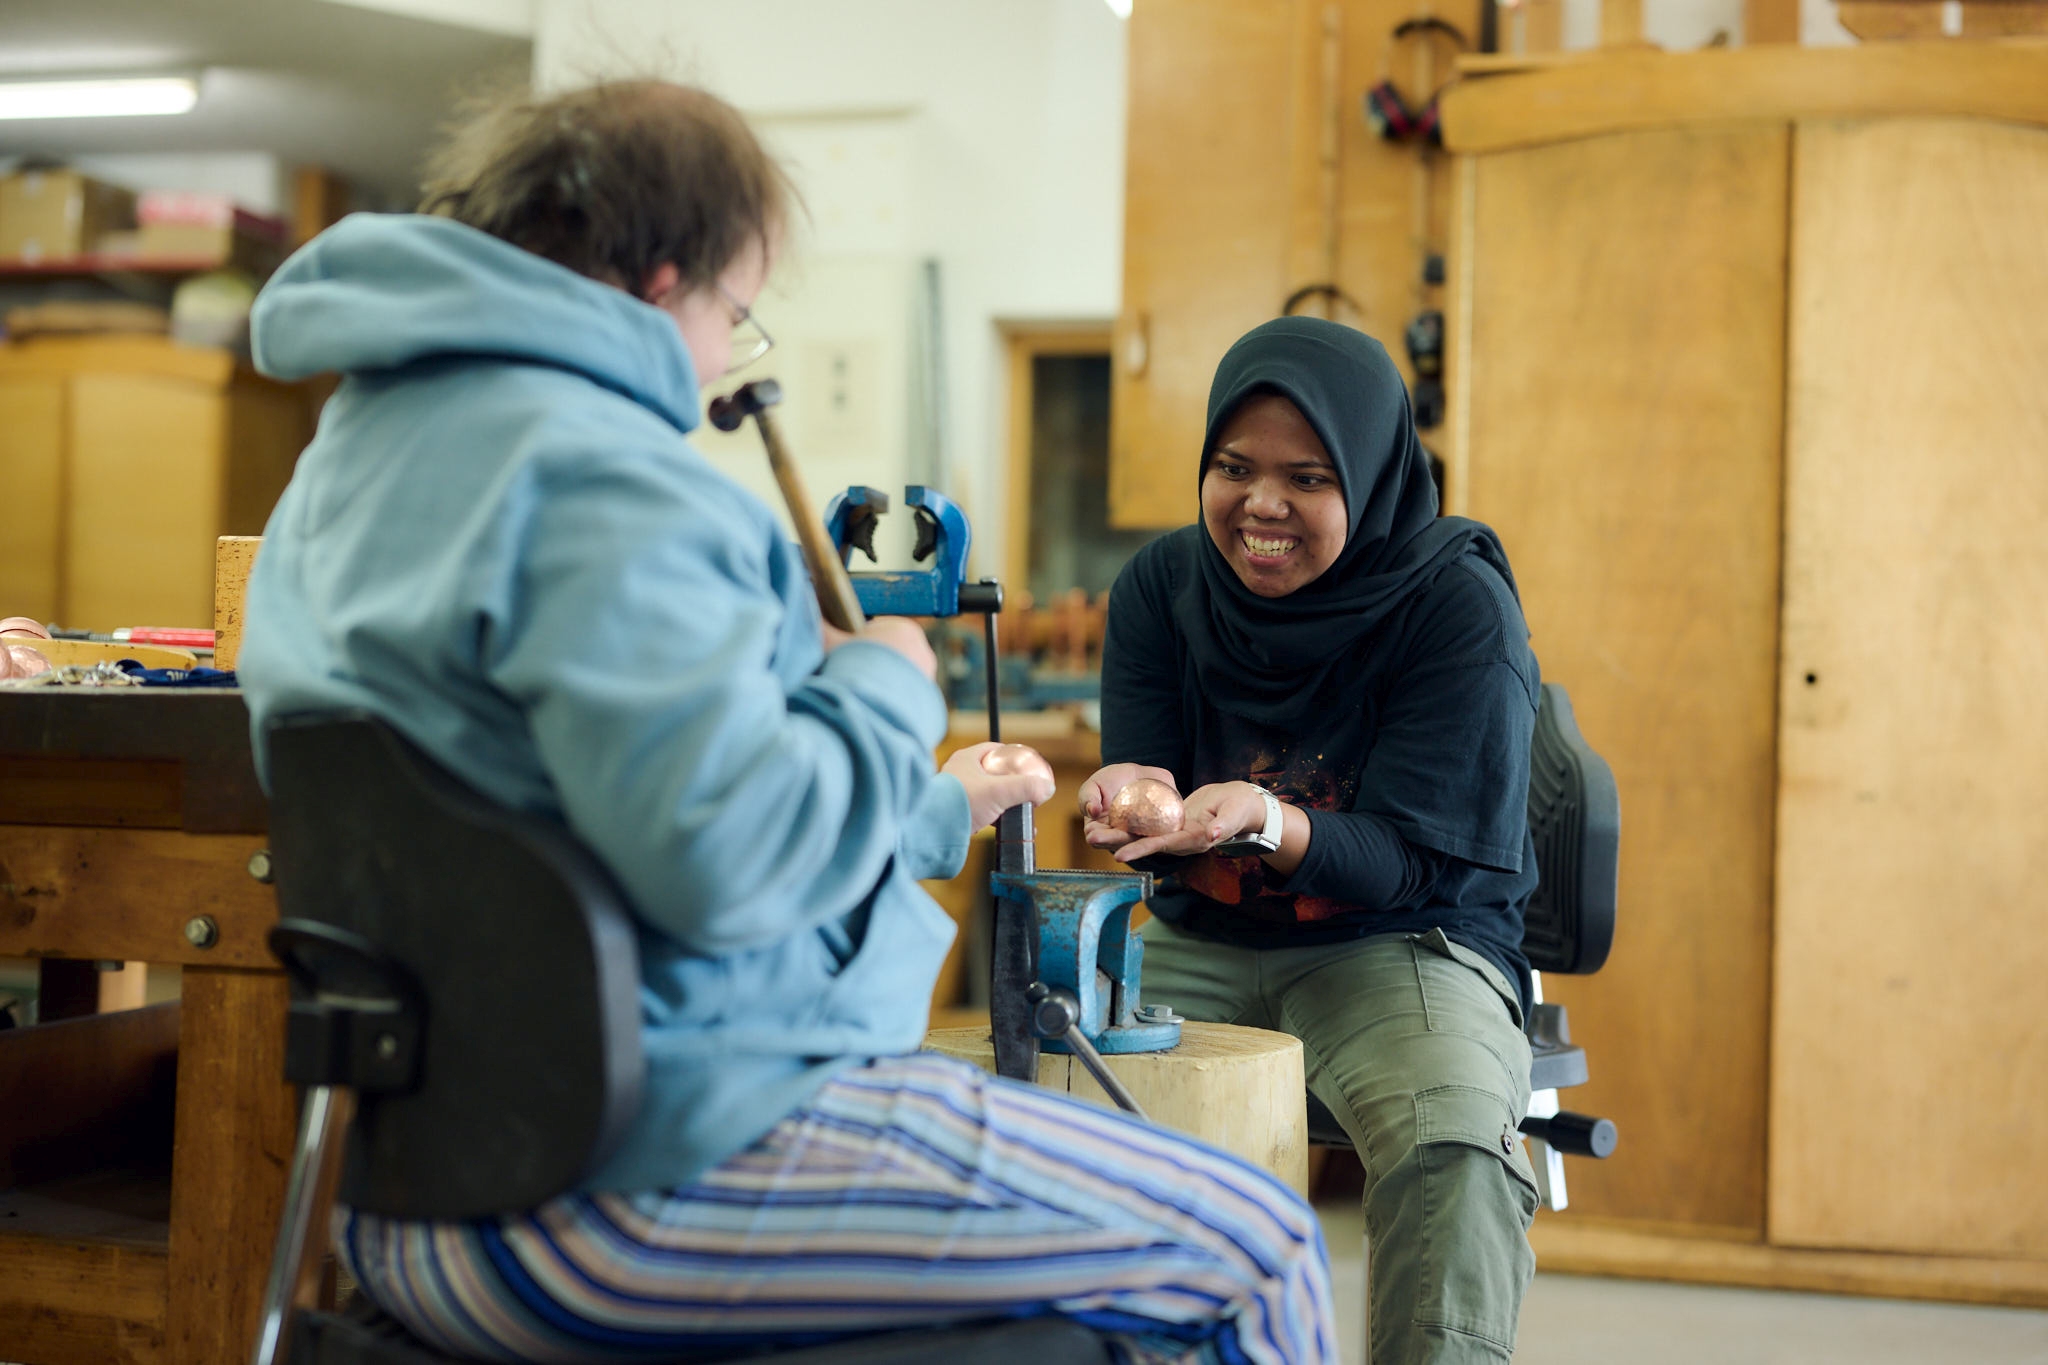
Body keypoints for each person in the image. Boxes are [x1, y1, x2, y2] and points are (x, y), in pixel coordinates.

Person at [236, 80, 1335, 1365]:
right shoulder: (610, 480)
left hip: (411, 1186)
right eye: (734, 314)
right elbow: (730, 856)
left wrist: (916, 797)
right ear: (661, 285)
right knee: (1256, 1248)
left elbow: (553, 821)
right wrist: (881, 682)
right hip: (632, 1181)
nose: (720, 358)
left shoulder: (346, 459)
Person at [1082, 317, 1542, 1364]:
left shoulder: (1451, 604)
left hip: (1400, 939)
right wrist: (1131, 787)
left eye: (1307, 478)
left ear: (1370, 480)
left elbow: (1415, 859)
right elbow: (1146, 769)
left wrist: (1266, 817)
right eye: (1232, 468)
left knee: (1452, 1144)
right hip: (1201, 933)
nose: (1260, 505)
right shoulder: (1162, 588)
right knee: (1057, 1115)